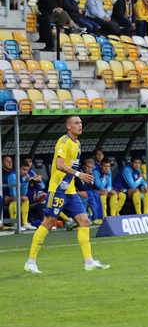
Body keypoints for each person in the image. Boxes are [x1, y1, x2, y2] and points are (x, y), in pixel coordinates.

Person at [24, 115, 111, 273]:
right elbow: (59, 165)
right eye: (76, 123)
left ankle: (89, 261)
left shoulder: (77, 143)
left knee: (84, 222)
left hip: (70, 192)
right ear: (68, 126)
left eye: (81, 123)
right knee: (48, 223)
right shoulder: (64, 141)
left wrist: (76, 182)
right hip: (58, 190)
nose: (80, 125)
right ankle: (31, 262)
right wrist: (79, 175)